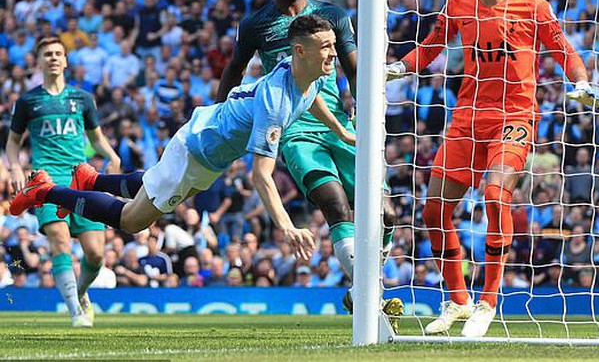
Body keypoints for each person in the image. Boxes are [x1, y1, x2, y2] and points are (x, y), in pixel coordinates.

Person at [386, 0, 599, 337]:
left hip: (515, 116)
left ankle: (488, 301)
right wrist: (398, 67)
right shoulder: (460, 4)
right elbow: (431, 47)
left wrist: (581, 82)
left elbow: (566, 52)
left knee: (494, 194)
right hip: (467, 119)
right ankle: (456, 299)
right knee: (434, 211)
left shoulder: (532, 7)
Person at [11, 15, 352, 263]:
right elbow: (260, 176)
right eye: (325, 47)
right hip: (195, 150)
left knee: (151, 185)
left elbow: (313, 98)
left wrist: (339, 131)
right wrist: (287, 227)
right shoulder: (275, 101)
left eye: (333, 46)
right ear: (300, 51)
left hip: (212, 153)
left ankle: (92, 179)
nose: (333, 54)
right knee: (133, 221)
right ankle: (45, 190)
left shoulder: (310, 73)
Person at [216, 0, 403, 326]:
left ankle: (361, 288)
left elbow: (355, 69)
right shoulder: (255, 24)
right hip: (296, 129)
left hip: (339, 123)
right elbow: (233, 71)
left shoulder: (332, 15)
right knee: (336, 207)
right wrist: (221, 115)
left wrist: (365, 115)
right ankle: (372, 299)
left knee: (385, 213)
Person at [6, 36, 121, 327]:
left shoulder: (82, 99)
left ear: (66, 61)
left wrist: (113, 156)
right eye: (47, 54)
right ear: (39, 61)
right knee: (59, 240)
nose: (54, 58)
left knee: (96, 254)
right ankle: (75, 312)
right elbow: (13, 142)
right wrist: (17, 169)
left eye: (58, 53)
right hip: (45, 178)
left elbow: (95, 137)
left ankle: (80, 293)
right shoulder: (28, 101)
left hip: (81, 177)